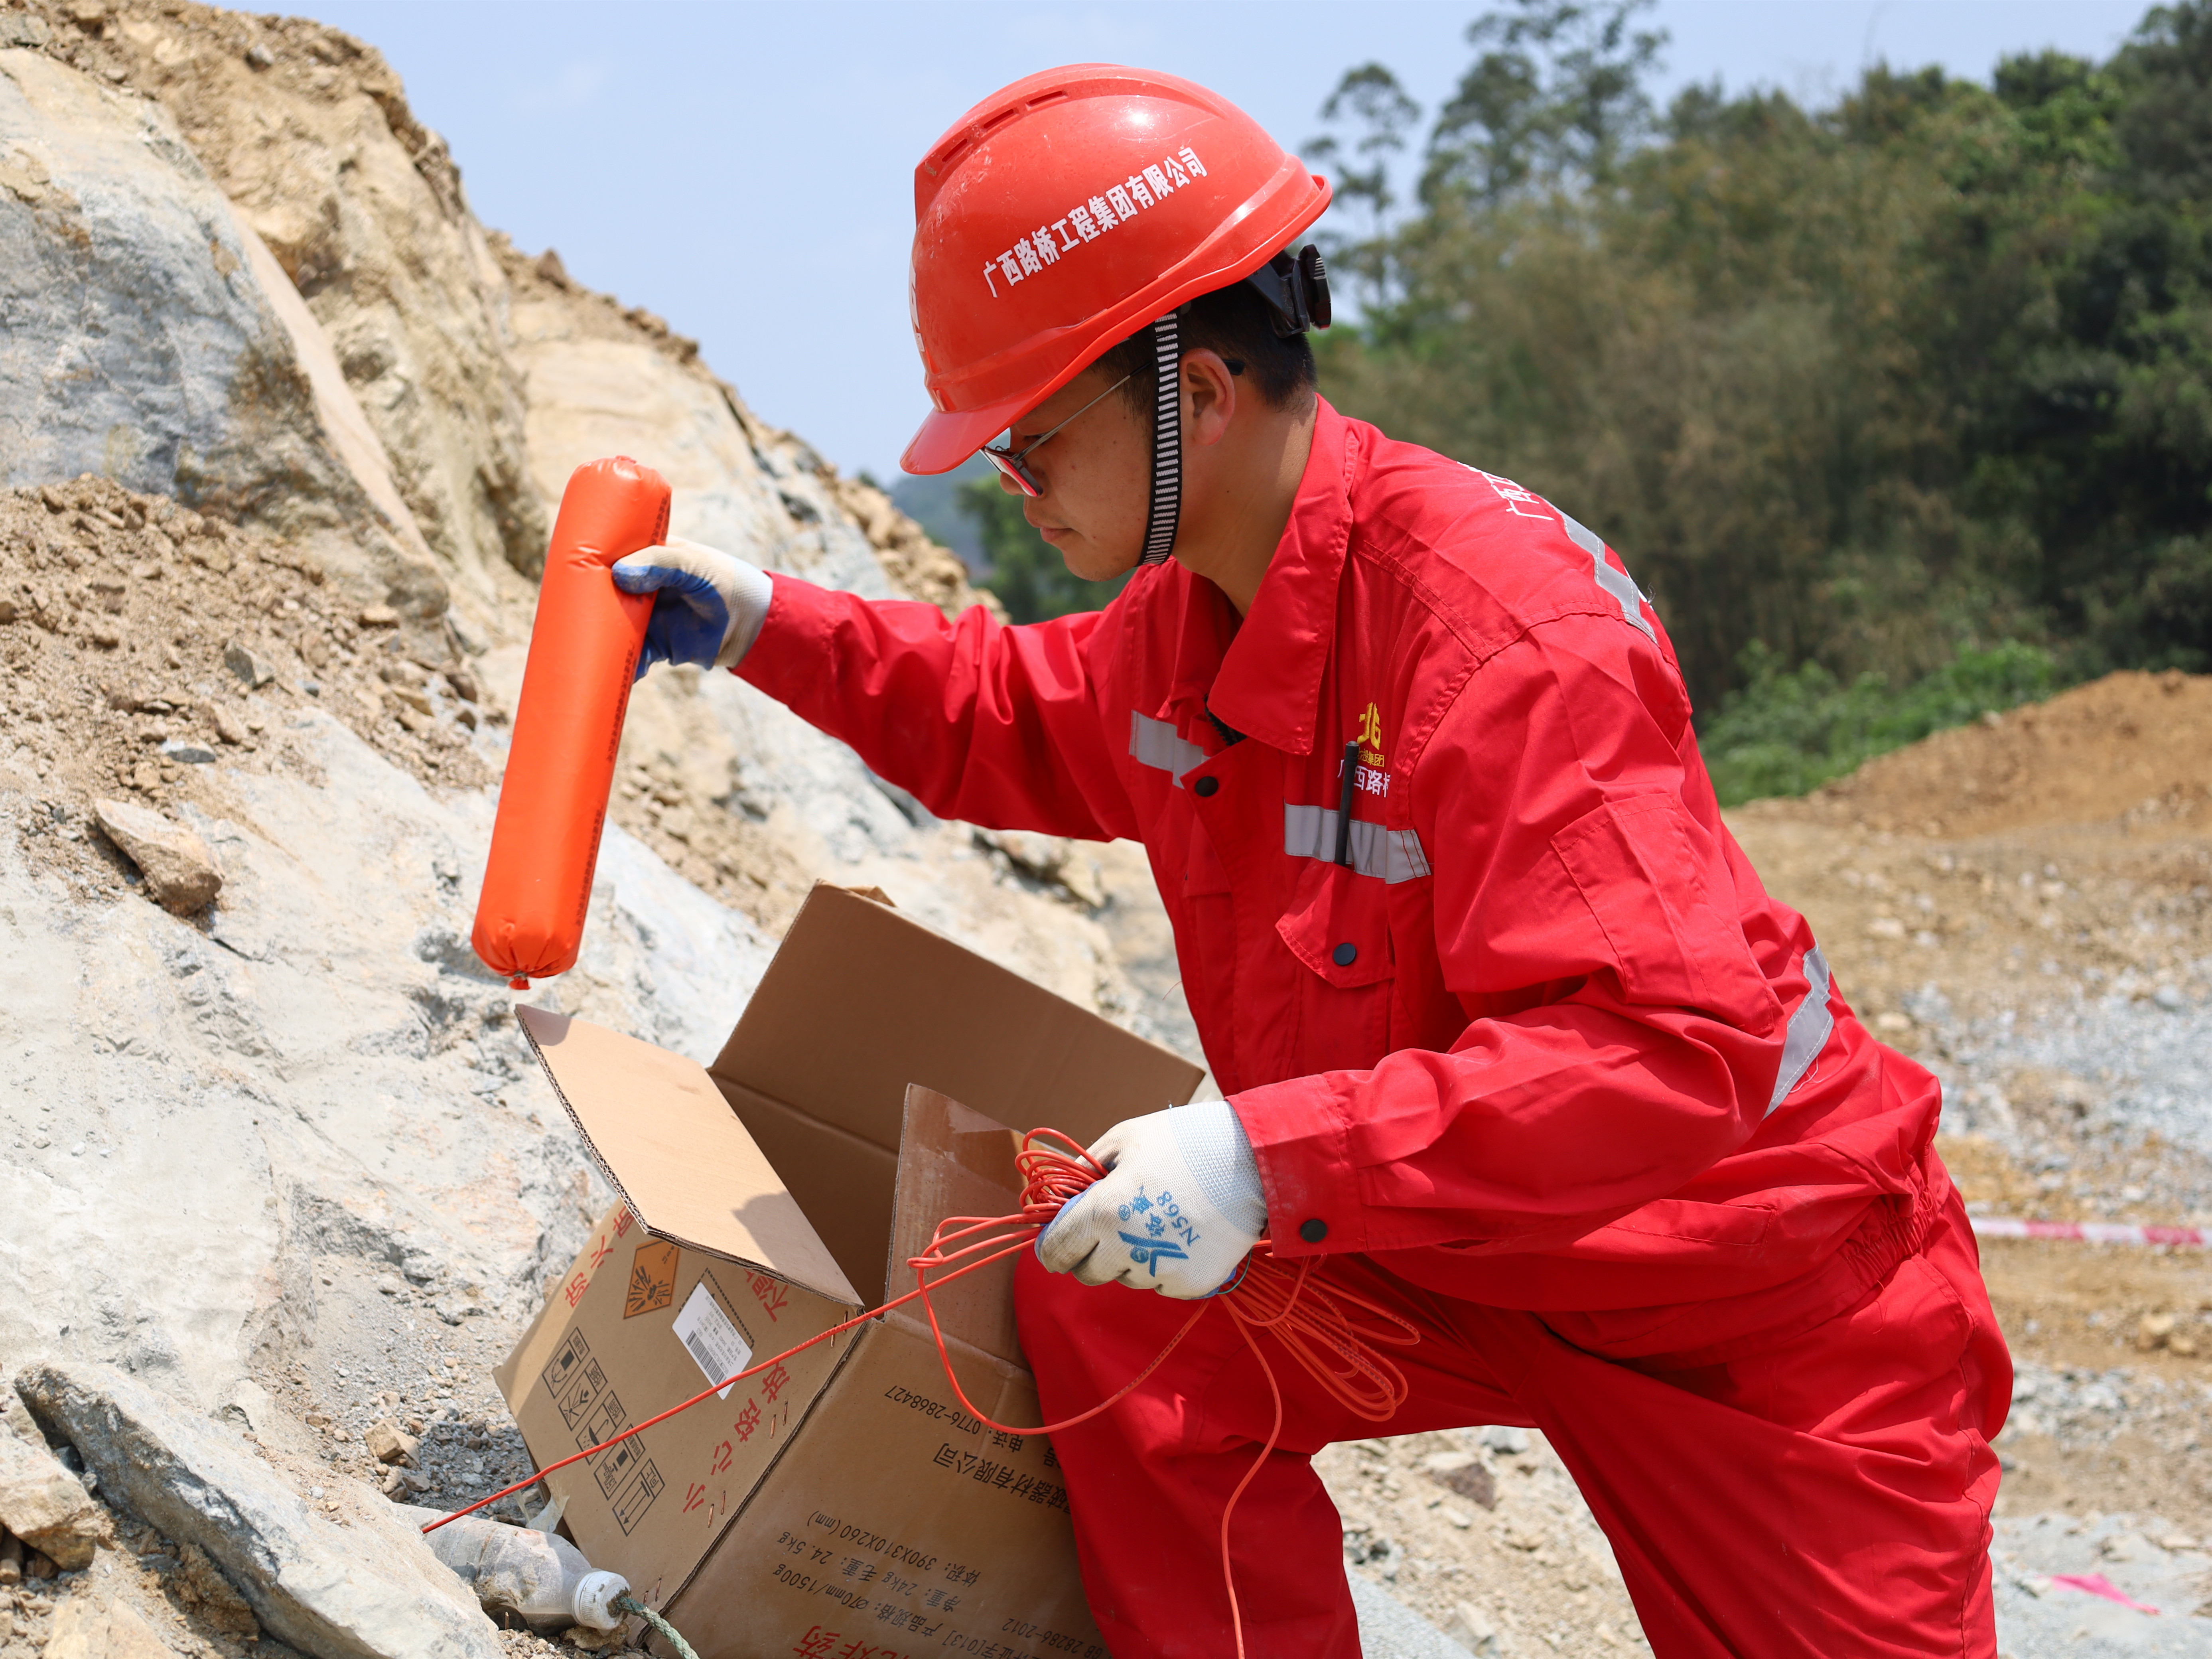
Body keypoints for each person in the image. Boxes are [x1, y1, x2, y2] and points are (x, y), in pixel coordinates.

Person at [611, 64, 2010, 1659]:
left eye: (1033, 440)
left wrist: (1264, 1158)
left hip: (1739, 1291)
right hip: (1446, 1246)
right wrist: (766, 624)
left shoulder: (1500, 637)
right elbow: (1010, 708)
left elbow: (1665, 1055)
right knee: (1114, 1292)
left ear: (1197, 394)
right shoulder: (1188, 619)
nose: (1013, 483)